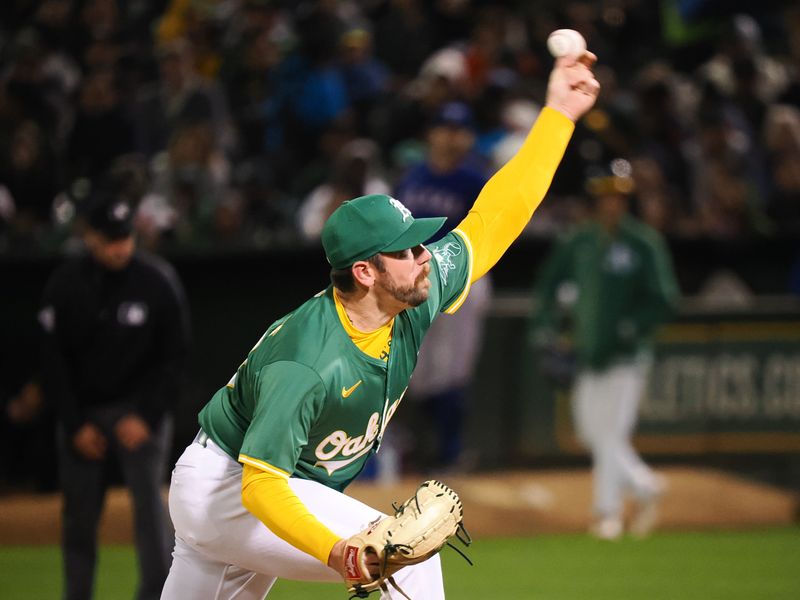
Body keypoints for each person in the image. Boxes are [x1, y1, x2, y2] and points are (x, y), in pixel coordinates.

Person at [160, 50, 600, 600]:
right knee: (404, 560)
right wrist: (338, 551)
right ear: (365, 271)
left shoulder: (410, 296)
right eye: (405, 249)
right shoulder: (308, 359)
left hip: (244, 488)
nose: (422, 256)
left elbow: (492, 221)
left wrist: (558, 114)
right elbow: (263, 486)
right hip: (229, 488)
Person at [39, 184, 190, 600]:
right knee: (79, 520)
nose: (120, 247)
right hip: (84, 416)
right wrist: (73, 425)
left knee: (152, 517)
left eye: (125, 237)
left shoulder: (157, 282)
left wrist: (146, 414)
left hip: (139, 417)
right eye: (110, 239)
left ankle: (158, 595)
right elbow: (53, 364)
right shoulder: (66, 285)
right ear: (90, 237)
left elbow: (174, 359)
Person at [529, 159, 680, 540]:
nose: (612, 203)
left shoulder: (643, 241)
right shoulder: (581, 240)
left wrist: (633, 328)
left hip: (626, 357)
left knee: (611, 433)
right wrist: (545, 328)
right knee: (590, 432)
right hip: (588, 353)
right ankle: (645, 486)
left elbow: (664, 297)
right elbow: (548, 284)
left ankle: (606, 514)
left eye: (618, 196)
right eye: (606, 196)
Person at [393, 101, 491, 471]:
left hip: (462, 277)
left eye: (459, 130)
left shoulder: (474, 181)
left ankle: (451, 452)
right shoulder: (412, 177)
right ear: (431, 134)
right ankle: (420, 447)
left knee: (453, 370)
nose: (451, 138)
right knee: (415, 372)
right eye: (444, 129)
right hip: (412, 278)